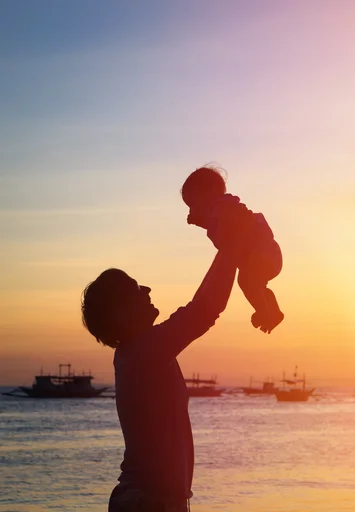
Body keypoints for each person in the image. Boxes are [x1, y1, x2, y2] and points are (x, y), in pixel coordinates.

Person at [80, 203, 253, 512]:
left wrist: (229, 245)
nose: (146, 288)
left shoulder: (142, 351)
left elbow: (199, 308)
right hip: (148, 501)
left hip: (155, 499)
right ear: (121, 312)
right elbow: (203, 310)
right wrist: (233, 243)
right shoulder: (142, 353)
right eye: (135, 288)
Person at [181, 164, 284, 334]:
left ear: (212, 192)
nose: (192, 210)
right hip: (264, 255)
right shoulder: (217, 211)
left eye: (193, 204)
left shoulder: (224, 205)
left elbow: (228, 225)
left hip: (261, 252)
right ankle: (271, 310)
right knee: (252, 284)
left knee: (247, 282)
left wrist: (208, 220)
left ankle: (265, 311)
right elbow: (217, 228)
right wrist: (201, 221)